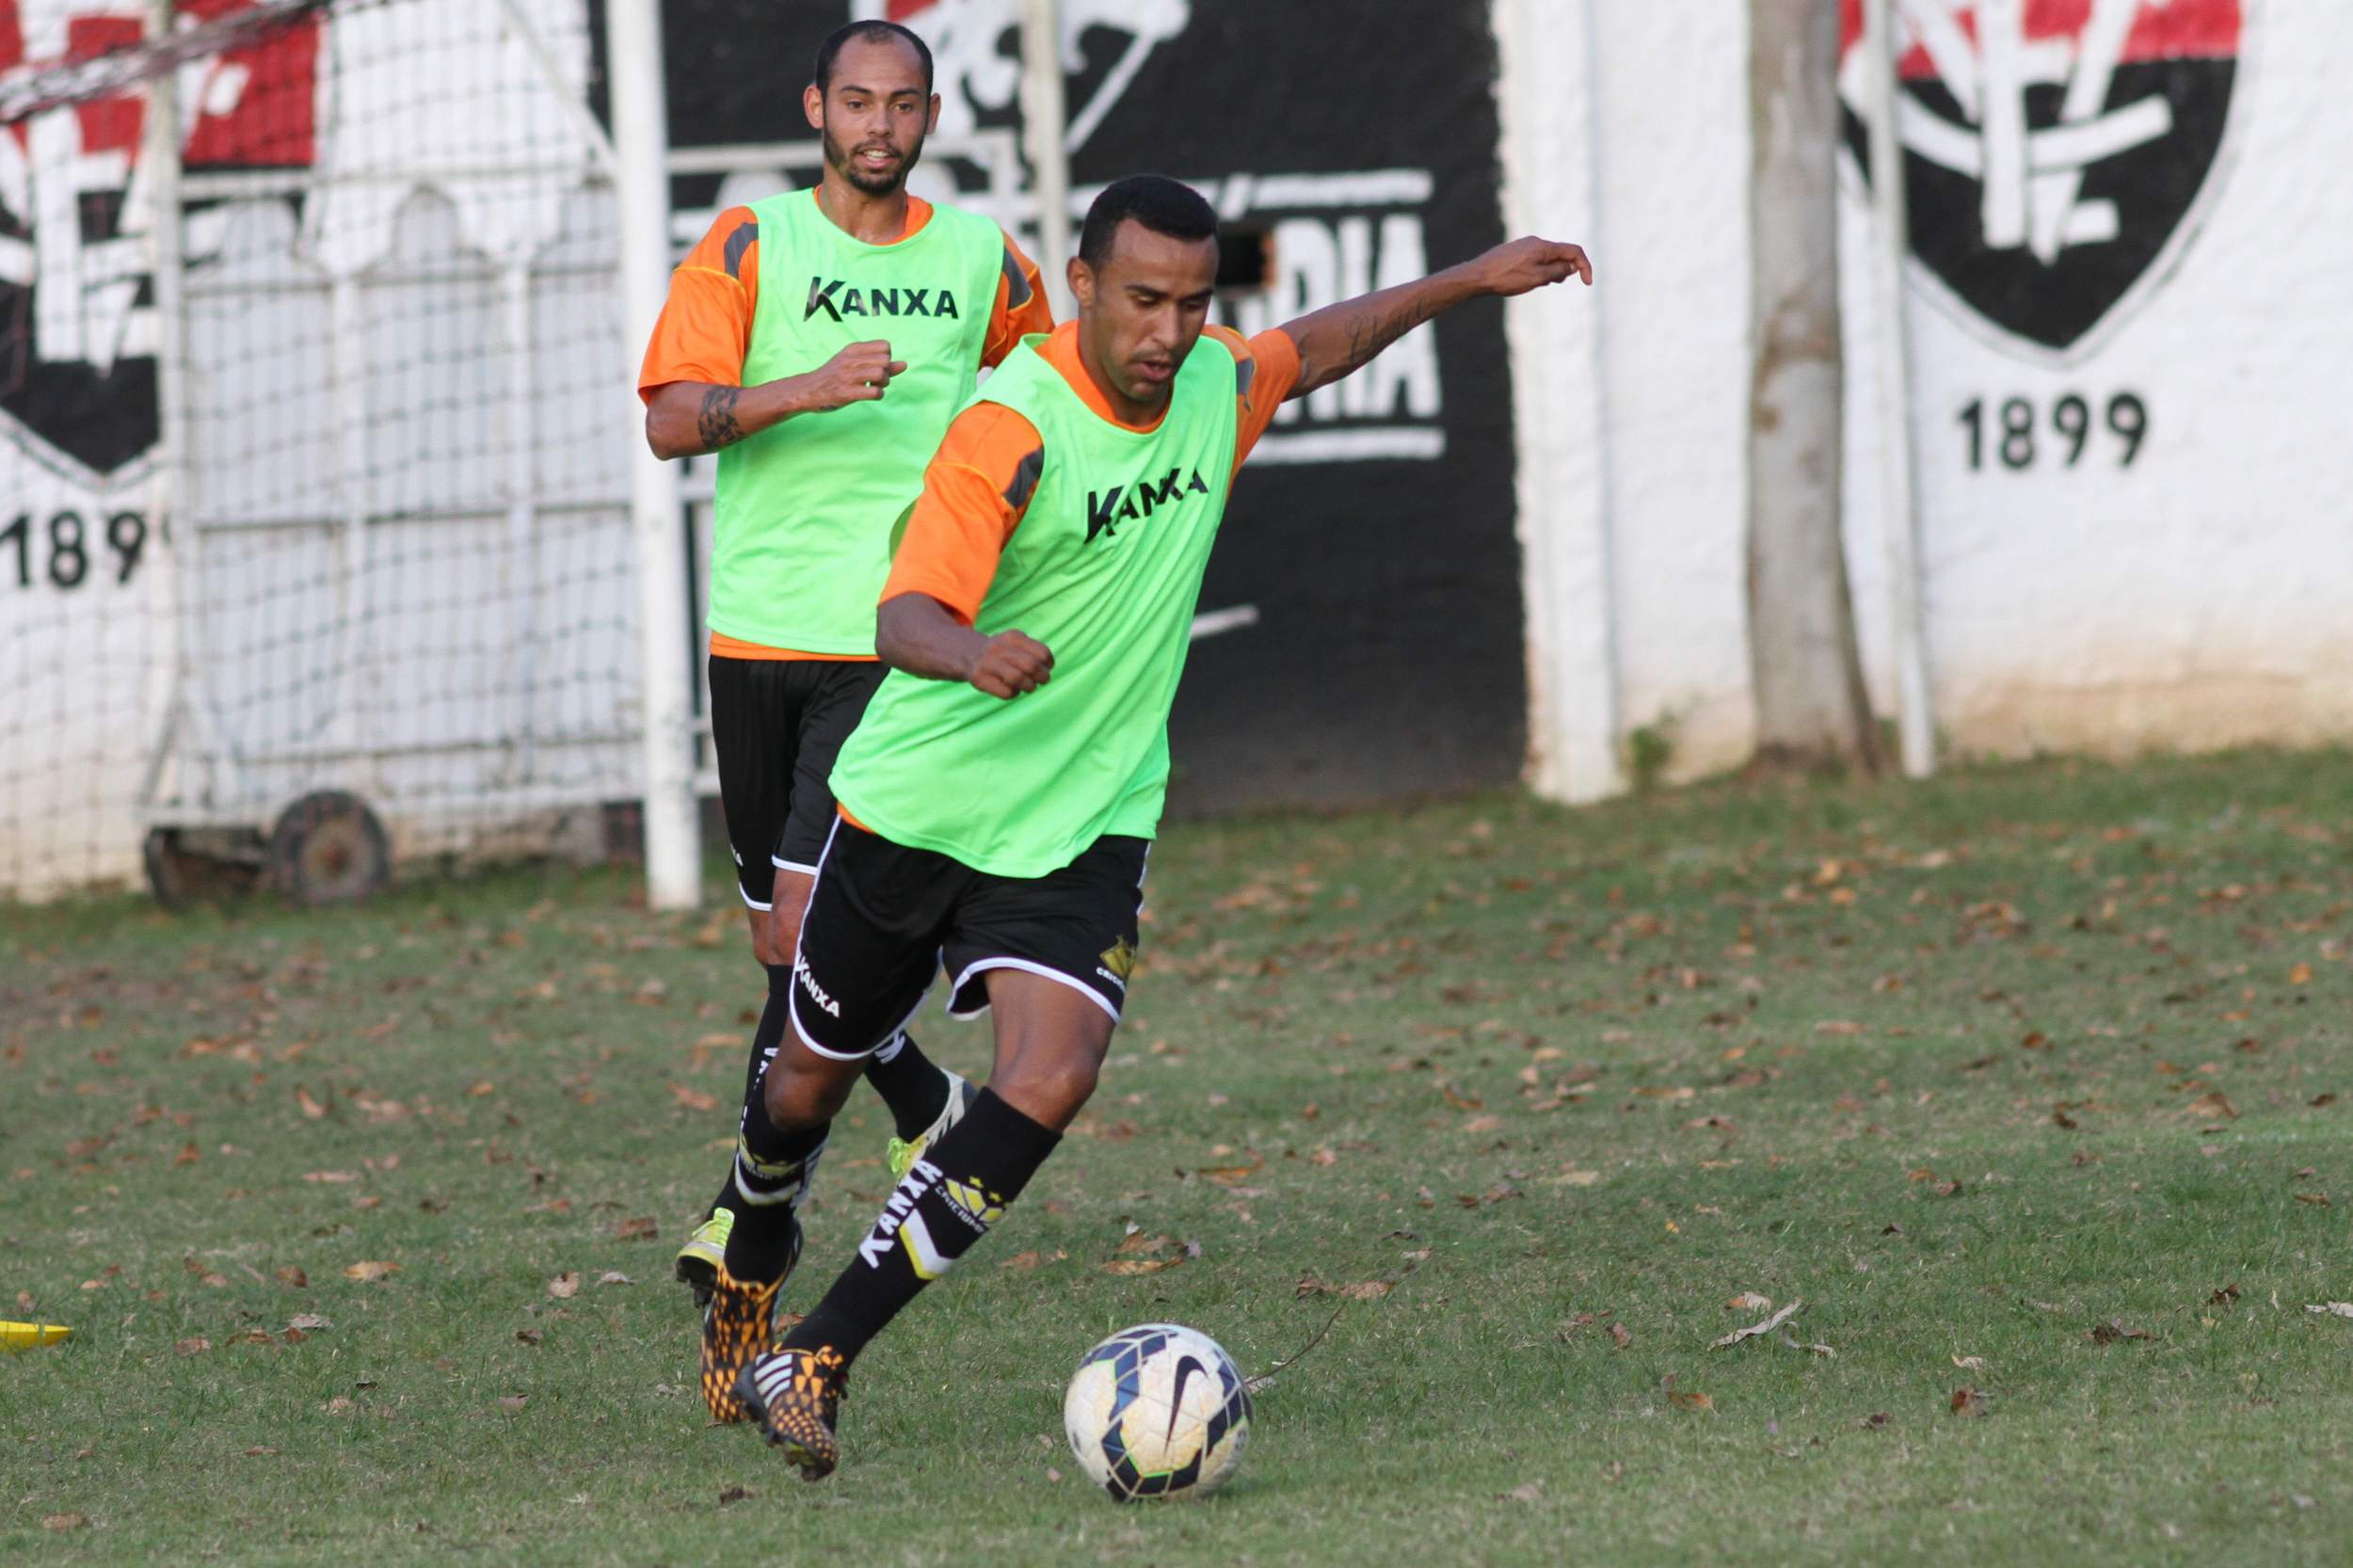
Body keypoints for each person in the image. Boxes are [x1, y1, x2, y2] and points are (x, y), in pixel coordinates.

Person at [723, 174, 1592, 1477]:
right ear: (1080, 286)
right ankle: (748, 1241)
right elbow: (903, 615)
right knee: (803, 1087)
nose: (1169, 332)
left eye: (1193, 305)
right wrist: (970, 656)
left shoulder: (1212, 385)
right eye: (1144, 301)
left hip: (1086, 819)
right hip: (919, 807)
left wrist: (1472, 277)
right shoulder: (1006, 429)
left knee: (1052, 1073)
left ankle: (822, 1353)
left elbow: (1329, 338)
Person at [634, 18, 1052, 1425]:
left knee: (812, 926)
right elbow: (671, 420)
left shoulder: (986, 262)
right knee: (780, 940)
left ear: (933, 113)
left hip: (894, 646)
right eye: (856, 101)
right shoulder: (751, 247)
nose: (880, 124)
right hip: (755, 644)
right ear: (818, 105)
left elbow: (1055, 408)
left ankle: (748, 1242)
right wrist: (801, 389)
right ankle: (913, 1104)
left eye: (904, 104)